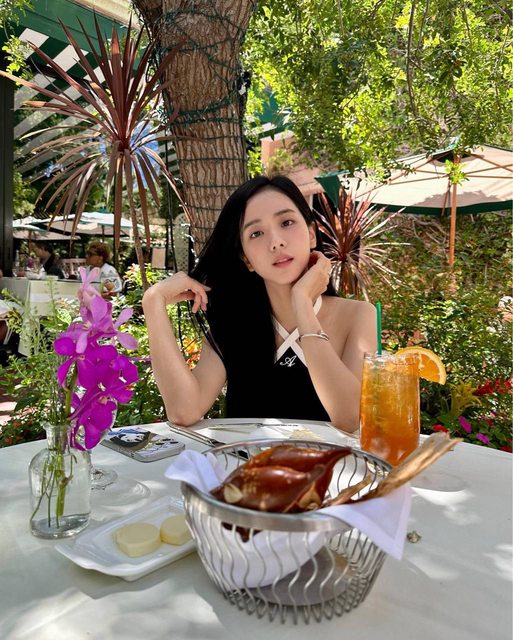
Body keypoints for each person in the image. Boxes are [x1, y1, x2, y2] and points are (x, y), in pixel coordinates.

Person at [142, 175, 376, 432]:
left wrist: (302, 303)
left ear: (311, 235)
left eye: (286, 222)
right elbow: (184, 411)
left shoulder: (358, 316)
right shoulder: (234, 323)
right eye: (256, 233)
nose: (276, 241)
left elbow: (350, 418)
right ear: (247, 259)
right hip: (246, 459)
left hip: (331, 460)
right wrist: (153, 302)